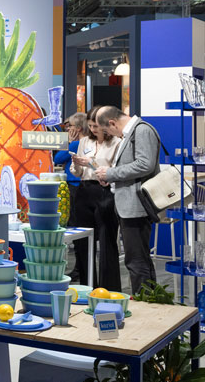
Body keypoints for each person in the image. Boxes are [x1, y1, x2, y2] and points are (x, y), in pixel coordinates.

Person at [95, 105, 160, 294]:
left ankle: (144, 302)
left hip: (137, 206)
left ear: (112, 123)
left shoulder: (142, 130)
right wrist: (110, 177)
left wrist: (111, 173)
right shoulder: (132, 133)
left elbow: (145, 164)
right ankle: (149, 301)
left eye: (107, 130)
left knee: (137, 261)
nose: (110, 135)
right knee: (138, 260)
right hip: (129, 205)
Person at [70, 107, 121, 291]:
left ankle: (109, 289)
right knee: (82, 242)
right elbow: (77, 173)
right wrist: (76, 164)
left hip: (105, 192)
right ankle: (87, 287)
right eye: (90, 126)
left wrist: (91, 163)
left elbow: (114, 170)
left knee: (107, 242)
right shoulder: (84, 141)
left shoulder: (117, 143)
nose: (93, 129)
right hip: (84, 191)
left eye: (96, 126)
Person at [54, 113, 84, 278]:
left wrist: (70, 143)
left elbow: (58, 158)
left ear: (77, 128)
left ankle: (78, 269)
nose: (67, 129)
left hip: (74, 187)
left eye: (70, 126)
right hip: (76, 187)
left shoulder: (77, 143)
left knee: (74, 226)